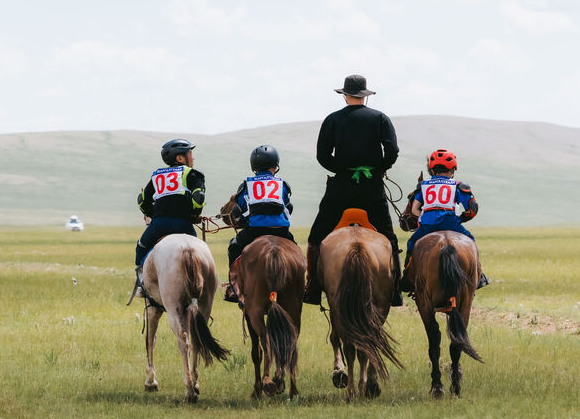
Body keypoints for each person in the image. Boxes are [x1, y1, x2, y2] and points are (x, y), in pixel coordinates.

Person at [305, 75, 403, 306]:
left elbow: (322, 155)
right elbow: (392, 151)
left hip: (341, 187)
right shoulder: (380, 118)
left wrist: (342, 170)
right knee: (389, 238)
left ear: (345, 95)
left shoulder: (332, 119)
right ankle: (395, 289)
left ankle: (313, 287)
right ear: (365, 96)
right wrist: (378, 169)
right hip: (372, 188)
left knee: (316, 237)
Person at [398, 148, 489, 293]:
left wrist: (424, 217)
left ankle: (407, 277)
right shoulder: (458, 186)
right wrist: (461, 219)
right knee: (470, 239)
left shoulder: (423, 186)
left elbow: (414, 210)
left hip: (427, 225)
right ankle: (479, 274)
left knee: (412, 243)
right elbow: (472, 209)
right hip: (451, 224)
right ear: (453, 170)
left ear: (432, 170)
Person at [133, 139, 206, 299]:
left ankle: (141, 284)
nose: (193, 157)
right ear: (180, 158)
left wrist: (154, 214)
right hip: (183, 224)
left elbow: (142, 201)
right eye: (190, 153)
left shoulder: (157, 176)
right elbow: (198, 198)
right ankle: (204, 284)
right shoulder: (192, 174)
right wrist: (195, 214)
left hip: (159, 224)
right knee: (199, 253)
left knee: (141, 247)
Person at [222, 145, 295, 304]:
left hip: (255, 231)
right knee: (295, 251)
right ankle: (300, 284)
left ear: (254, 166)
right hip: (281, 231)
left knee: (233, 247)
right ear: (275, 166)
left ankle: (233, 287)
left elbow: (241, 208)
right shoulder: (282, 185)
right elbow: (286, 205)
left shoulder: (246, 185)